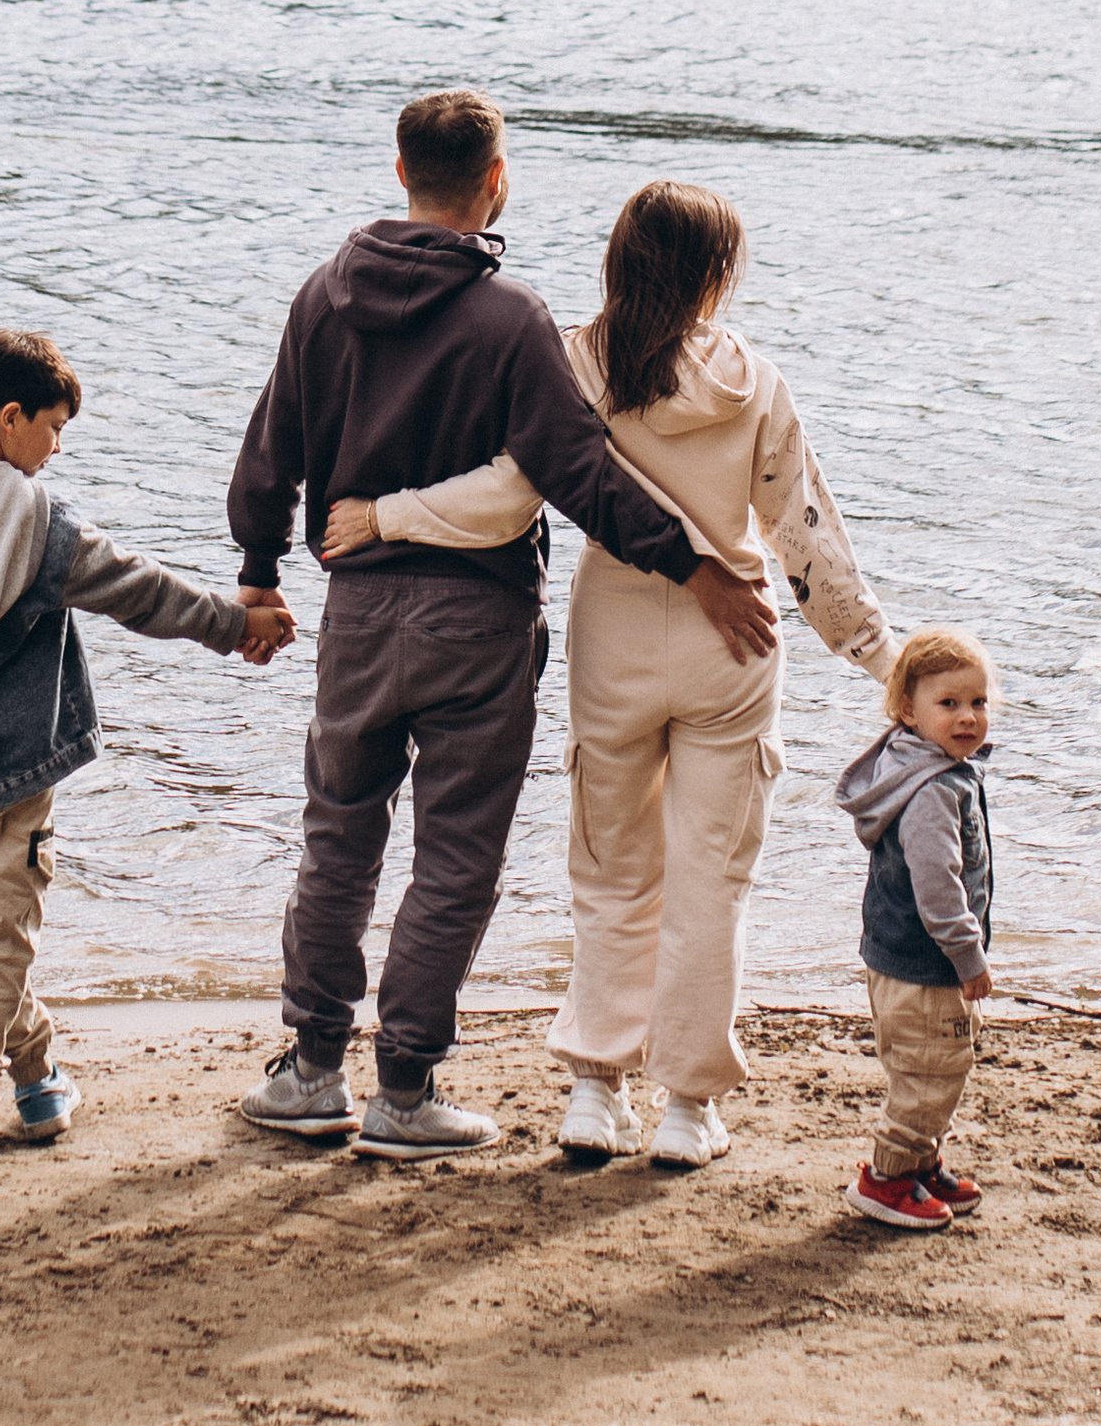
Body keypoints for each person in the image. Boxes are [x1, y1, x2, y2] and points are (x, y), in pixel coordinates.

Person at [229, 91, 778, 1163]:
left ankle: (307, 1068)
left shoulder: (321, 297)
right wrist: (695, 563)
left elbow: (270, 445)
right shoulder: (509, 316)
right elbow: (575, 474)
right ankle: (403, 1088)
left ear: (399, 169)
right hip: (476, 619)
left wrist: (257, 575)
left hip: (356, 605)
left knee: (340, 829)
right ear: (496, 179)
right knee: (456, 852)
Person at [332, 177, 894, 1173]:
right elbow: (804, 538)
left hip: (615, 637)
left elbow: (505, 499)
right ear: (716, 273)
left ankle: (595, 1088)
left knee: (609, 871)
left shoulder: (574, 360)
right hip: (737, 643)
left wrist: (389, 513)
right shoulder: (753, 379)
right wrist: (879, 657)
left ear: (620, 260)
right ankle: (686, 1107)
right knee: (710, 880)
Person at [0, 323, 290, 1162]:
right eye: (52, 428)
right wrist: (234, 625)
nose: (52, 449)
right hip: (14, 770)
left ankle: (37, 1080)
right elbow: (139, 590)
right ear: (10, 418)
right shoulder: (33, 524)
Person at [834, 629, 995, 1230]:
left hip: (899, 956)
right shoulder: (930, 791)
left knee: (932, 1063)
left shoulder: (922, 768)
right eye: (948, 704)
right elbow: (938, 885)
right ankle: (887, 1178)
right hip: (927, 963)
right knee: (932, 1068)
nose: (967, 717)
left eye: (977, 703)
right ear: (908, 710)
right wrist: (968, 956)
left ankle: (921, 1162)